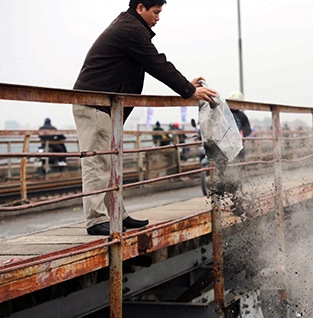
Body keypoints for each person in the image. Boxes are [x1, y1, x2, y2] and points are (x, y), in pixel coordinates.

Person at [72, 0, 217, 236]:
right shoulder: (130, 29)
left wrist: (185, 87)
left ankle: (118, 215)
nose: (158, 18)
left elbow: (154, 64)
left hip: (103, 107)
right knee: (98, 163)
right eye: (156, 12)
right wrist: (188, 91)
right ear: (140, 8)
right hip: (94, 105)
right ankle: (96, 220)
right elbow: (156, 63)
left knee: (110, 163)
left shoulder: (129, 26)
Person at [227, 91, 252, 161]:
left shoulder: (242, 116)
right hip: (226, 144)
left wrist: (242, 133)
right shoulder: (225, 114)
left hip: (239, 144)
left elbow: (248, 129)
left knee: (240, 161)